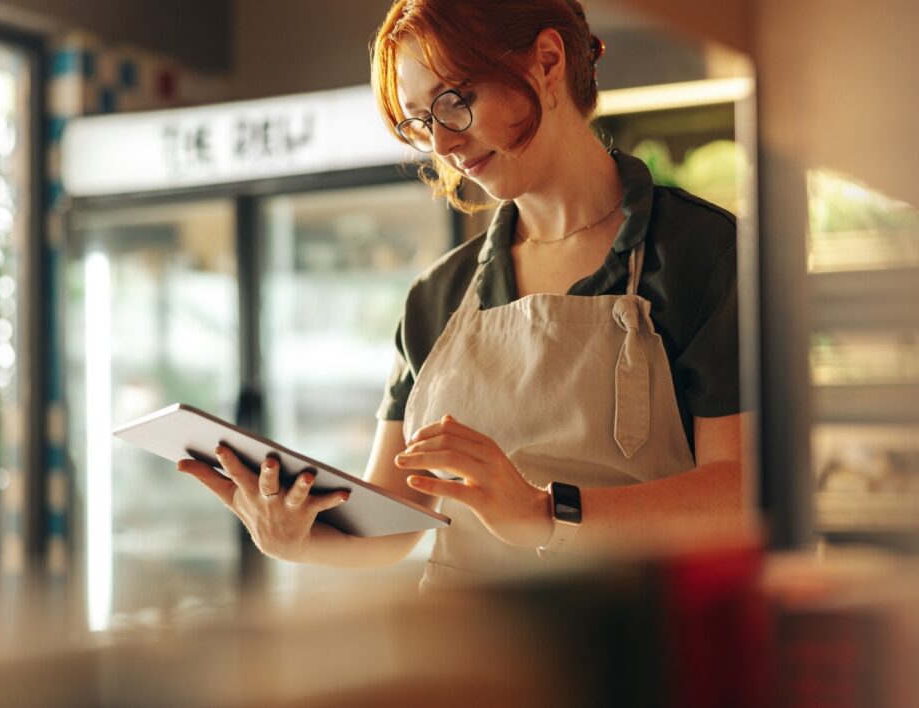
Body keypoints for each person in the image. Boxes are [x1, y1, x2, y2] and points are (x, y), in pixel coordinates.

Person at [177, 0, 748, 590]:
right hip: (459, 642)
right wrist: (297, 537)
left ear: (547, 61)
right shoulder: (437, 295)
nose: (444, 144)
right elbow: (395, 524)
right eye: (421, 123)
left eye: (456, 101)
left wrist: (545, 514)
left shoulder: (702, 252)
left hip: (630, 637)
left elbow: (741, 491)